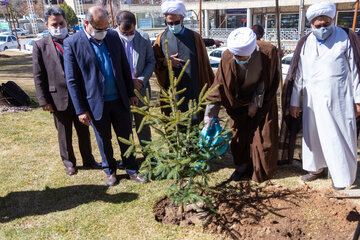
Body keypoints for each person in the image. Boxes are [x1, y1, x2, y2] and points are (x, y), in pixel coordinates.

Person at [63, 6, 146, 186]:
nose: (103, 32)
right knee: (104, 139)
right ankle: (110, 171)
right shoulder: (72, 43)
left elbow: (124, 66)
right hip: (96, 103)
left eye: (106, 28)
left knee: (126, 135)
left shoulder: (113, 36)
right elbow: (72, 80)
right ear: (86, 23)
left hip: (119, 99)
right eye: (99, 29)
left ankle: (131, 169)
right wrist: (81, 109)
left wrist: (131, 93)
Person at [287, 1, 360, 190]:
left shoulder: (345, 37)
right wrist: (295, 102)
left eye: (326, 24)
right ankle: (315, 168)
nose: (322, 29)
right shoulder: (305, 42)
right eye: (317, 26)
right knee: (313, 135)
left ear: (332, 20)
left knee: (338, 136)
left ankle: (342, 177)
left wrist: (358, 99)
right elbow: (298, 74)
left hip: (339, 98)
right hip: (312, 99)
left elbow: (356, 71)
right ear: (311, 24)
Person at [205, 27, 280, 182]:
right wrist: (209, 116)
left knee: (264, 137)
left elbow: (267, 81)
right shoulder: (227, 57)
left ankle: (261, 170)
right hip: (237, 104)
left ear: (252, 50)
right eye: (236, 56)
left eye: (242, 56)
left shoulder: (268, 52)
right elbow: (219, 85)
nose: (238, 58)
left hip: (262, 101)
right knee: (239, 138)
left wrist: (255, 103)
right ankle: (241, 168)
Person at [33, 7, 100, 176]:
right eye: (54, 24)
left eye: (61, 23)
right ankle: (69, 163)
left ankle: (88, 159)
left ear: (66, 22)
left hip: (79, 96)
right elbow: (38, 75)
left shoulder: (77, 40)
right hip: (57, 98)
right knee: (64, 133)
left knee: (83, 130)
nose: (58, 27)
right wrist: (44, 100)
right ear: (47, 25)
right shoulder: (40, 46)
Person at [153, 0, 214, 124]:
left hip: (194, 90)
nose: (173, 25)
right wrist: (165, 62)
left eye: (176, 22)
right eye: (170, 22)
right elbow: (154, 61)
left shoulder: (195, 37)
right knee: (175, 125)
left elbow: (204, 65)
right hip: (172, 92)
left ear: (182, 18)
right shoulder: (160, 39)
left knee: (195, 123)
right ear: (166, 20)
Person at [115, 10, 155, 158]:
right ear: (117, 25)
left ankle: (149, 156)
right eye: (124, 33)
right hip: (120, 91)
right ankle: (128, 158)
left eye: (131, 32)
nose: (127, 36)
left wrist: (141, 80)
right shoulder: (111, 38)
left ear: (135, 26)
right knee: (124, 126)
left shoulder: (143, 37)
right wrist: (128, 82)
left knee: (143, 125)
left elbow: (151, 61)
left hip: (141, 89)